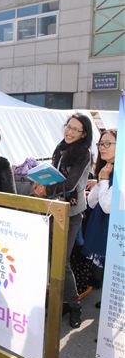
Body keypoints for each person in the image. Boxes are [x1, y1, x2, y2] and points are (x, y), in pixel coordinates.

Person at [33, 113, 93, 328]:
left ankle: (74, 306)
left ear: (84, 134)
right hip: (51, 208)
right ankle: (52, 300)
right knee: (46, 257)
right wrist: (39, 183)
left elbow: (69, 184)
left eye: (76, 129)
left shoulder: (84, 154)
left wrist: (45, 188)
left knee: (61, 261)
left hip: (70, 212)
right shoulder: (60, 148)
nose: (70, 132)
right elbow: (53, 175)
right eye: (69, 126)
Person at [82, 129, 116, 305]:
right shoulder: (106, 169)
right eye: (101, 143)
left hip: (115, 228)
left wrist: (102, 181)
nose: (103, 147)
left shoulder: (120, 172)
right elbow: (93, 202)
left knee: (114, 266)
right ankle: (108, 300)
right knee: (109, 266)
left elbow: (108, 206)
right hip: (104, 227)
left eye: (108, 143)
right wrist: (100, 181)